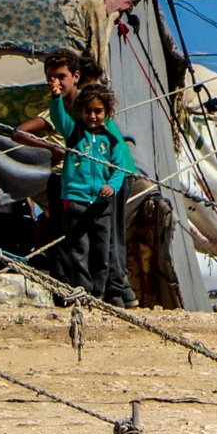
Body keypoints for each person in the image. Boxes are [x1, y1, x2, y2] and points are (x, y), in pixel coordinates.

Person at [52, 82, 137, 307]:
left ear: (106, 113)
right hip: (77, 201)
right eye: (88, 111)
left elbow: (119, 168)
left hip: (101, 205)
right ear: (80, 111)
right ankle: (84, 294)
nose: (92, 116)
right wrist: (56, 98)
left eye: (98, 111)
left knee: (102, 252)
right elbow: (58, 118)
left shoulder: (111, 140)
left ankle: (98, 294)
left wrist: (112, 186)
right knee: (79, 251)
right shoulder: (74, 134)